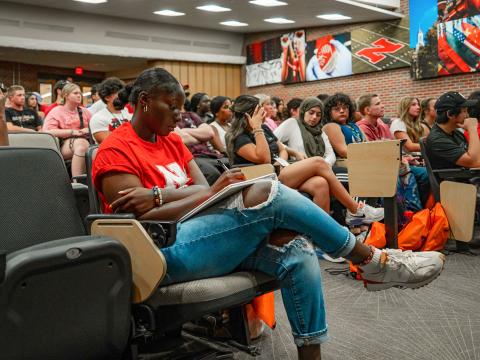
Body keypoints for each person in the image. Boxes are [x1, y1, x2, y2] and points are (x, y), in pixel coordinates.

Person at [91, 67, 445, 360]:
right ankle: (372, 261)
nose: (179, 117)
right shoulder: (114, 150)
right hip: (161, 251)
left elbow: (202, 191)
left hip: (208, 234)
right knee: (270, 192)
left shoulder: (170, 141)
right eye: (172, 107)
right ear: (143, 102)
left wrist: (161, 194)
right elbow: (137, 220)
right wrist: (187, 195)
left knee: (296, 249)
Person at [226, 94, 383, 225]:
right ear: (249, 114)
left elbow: (281, 148)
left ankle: (323, 239)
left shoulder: (265, 128)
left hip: (278, 170)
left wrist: (281, 158)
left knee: (320, 184)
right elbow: (264, 159)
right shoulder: (239, 137)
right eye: (259, 110)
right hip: (261, 181)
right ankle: (355, 210)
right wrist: (257, 128)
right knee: (318, 162)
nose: (264, 113)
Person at [356, 94, 430, 211]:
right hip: (380, 169)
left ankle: (419, 211)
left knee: (426, 174)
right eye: (378, 104)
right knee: (402, 176)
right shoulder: (362, 128)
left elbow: (393, 149)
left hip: (394, 164)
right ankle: (407, 213)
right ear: (367, 110)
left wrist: (405, 157)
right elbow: (373, 155)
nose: (383, 106)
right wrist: (401, 159)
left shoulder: (382, 125)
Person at [43, 83, 92, 178]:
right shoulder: (56, 111)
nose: (79, 95)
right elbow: (47, 131)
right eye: (75, 93)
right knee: (82, 146)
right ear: (66, 95)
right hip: (63, 144)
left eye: (80, 93)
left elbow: (95, 126)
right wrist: (72, 132)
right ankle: (78, 183)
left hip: (85, 141)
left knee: (85, 145)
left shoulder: (84, 111)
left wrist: (88, 129)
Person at [274, 97, 335, 166]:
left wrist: (325, 164)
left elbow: (331, 154)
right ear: (303, 111)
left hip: (321, 168)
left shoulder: (319, 131)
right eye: (311, 113)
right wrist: (292, 152)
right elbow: (272, 141)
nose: (315, 117)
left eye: (318, 115)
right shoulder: (292, 123)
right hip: (299, 168)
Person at [426, 91, 480, 169]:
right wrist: (472, 129)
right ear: (450, 114)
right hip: (454, 180)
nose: (467, 115)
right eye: (464, 111)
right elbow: (475, 162)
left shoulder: (455, 132)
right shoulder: (438, 140)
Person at [322, 93, 366, 159]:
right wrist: (368, 155)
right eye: (336, 109)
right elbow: (343, 152)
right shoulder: (330, 126)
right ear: (329, 112)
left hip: (363, 160)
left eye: (345, 107)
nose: (342, 111)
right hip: (346, 165)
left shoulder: (354, 125)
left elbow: (368, 145)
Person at [90, 77, 132, 144]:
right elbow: (111, 142)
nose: (124, 96)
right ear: (107, 97)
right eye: (120, 94)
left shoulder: (129, 113)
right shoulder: (98, 118)